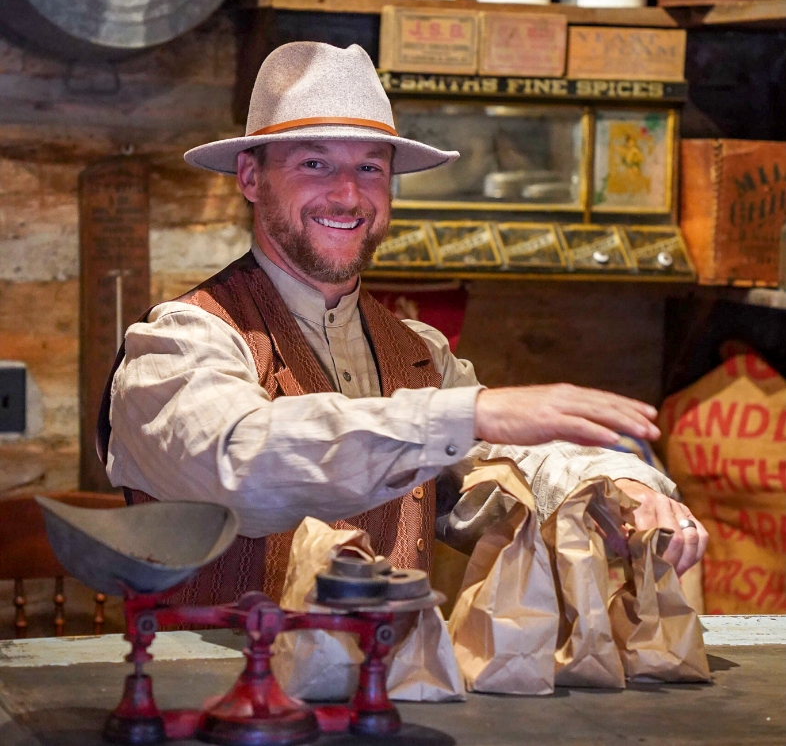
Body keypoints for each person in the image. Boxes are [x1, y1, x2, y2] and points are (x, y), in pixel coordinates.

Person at [102, 42, 707, 604]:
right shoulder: (179, 342)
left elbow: (504, 467)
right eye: (315, 163)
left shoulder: (417, 351)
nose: (348, 195)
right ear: (251, 178)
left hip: (385, 692)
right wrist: (465, 414)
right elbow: (242, 466)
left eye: (370, 168)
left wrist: (622, 487)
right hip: (214, 702)